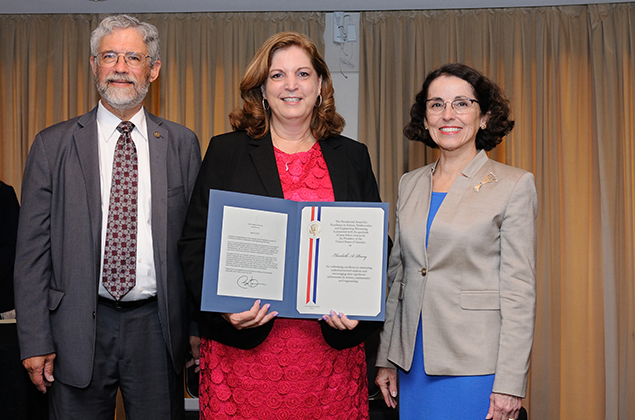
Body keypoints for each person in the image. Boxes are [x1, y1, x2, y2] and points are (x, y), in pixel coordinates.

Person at [178, 31, 383, 419]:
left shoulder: (352, 157)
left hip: (328, 358)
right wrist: (223, 310)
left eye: (303, 74)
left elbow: (373, 244)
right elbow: (194, 243)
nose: (291, 85)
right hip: (244, 352)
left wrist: (361, 306)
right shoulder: (227, 151)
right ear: (262, 88)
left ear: (320, 85)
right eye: (277, 75)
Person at [14, 15, 201, 420]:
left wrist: (195, 329)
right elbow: (31, 254)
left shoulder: (182, 144)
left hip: (157, 329)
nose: (120, 67)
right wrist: (33, 339)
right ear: (94, 66)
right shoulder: (52, 145)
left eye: (133, 57)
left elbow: (193, 246)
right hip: (74, 331)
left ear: (153, 69)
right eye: (109, 56)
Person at [375, 63, 536, 420]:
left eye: (462, 103)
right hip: (411, 363)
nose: (448, 114)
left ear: (484, 117)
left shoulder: (514, 184)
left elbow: (518, 292)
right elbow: (398, 277)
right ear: (426, 117)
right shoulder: (410, 183)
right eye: (437, 104)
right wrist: (386, 356)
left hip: (475, 365)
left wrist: (510, 383)